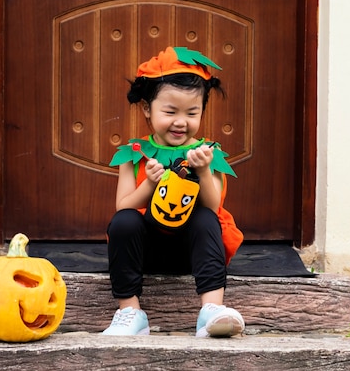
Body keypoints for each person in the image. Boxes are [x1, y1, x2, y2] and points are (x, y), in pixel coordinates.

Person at [103, 46, 244, 337]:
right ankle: (130, 312)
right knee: (124, 222)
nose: (181, 121)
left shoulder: (208, 153)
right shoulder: (134, 153)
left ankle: (211, 311)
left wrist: (204, 171)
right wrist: (149, 184)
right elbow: (123, 206)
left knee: (205, 218)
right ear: (147, 109)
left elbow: (213, 204)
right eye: (170, 111)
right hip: (146, 251)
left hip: (191, 252)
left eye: (192, 112)